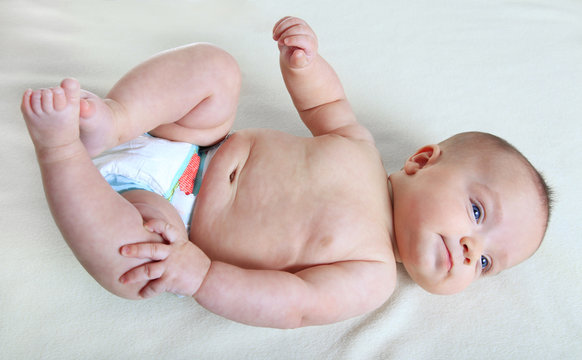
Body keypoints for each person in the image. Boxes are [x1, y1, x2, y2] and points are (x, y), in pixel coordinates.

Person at [20, 16, 552, 328]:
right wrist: (304, 64)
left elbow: (295, 304)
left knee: (134, 269)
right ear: (420, 161)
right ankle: (114, 120)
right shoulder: (359, 148)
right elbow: (327, 105)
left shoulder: (368, 276)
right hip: (190, 143)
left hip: (168, 218)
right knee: (215, 69)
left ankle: (61, 153)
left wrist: (202, 275)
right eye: (477, 212)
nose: (467, 251)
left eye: (484, 261)